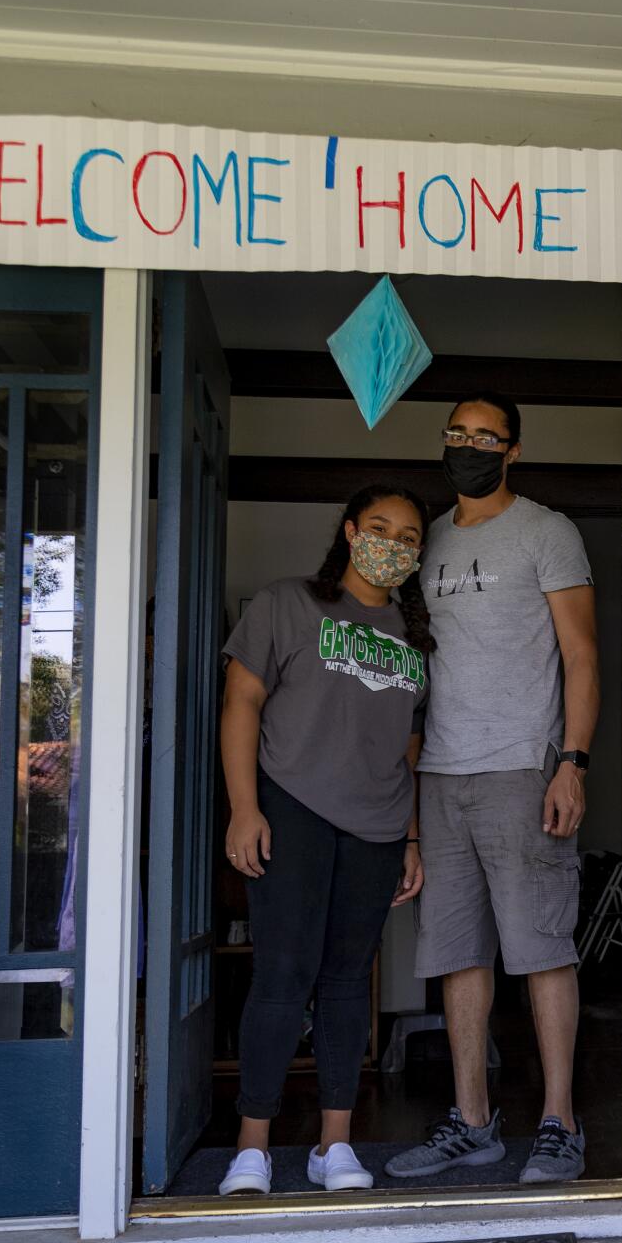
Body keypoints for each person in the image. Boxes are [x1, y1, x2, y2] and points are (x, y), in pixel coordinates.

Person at [385, 390, 599, 1185]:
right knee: (455, 949)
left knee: (541, 945)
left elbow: (581, 653)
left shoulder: (547, 531)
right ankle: (471, 1121)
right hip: (440, 771)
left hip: (522, 764)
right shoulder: (426, 537)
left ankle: (559, 1122)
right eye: (457, 433)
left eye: (486, 436)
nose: (468, 445)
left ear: (512, 450)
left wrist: (571, 760)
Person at [214, 486, 432, 1196]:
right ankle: (253, 1144)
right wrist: (244, 807)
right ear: (348, 531)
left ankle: (333, 1144)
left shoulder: (415, 632)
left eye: (408, 536)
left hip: (376, 823)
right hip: (293, 804)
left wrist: (411, 835)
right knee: (283, 972)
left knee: (347, 983)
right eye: (378, 528)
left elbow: (410, 741)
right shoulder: (288, 602)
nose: (392, 545)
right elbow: (241, 700)